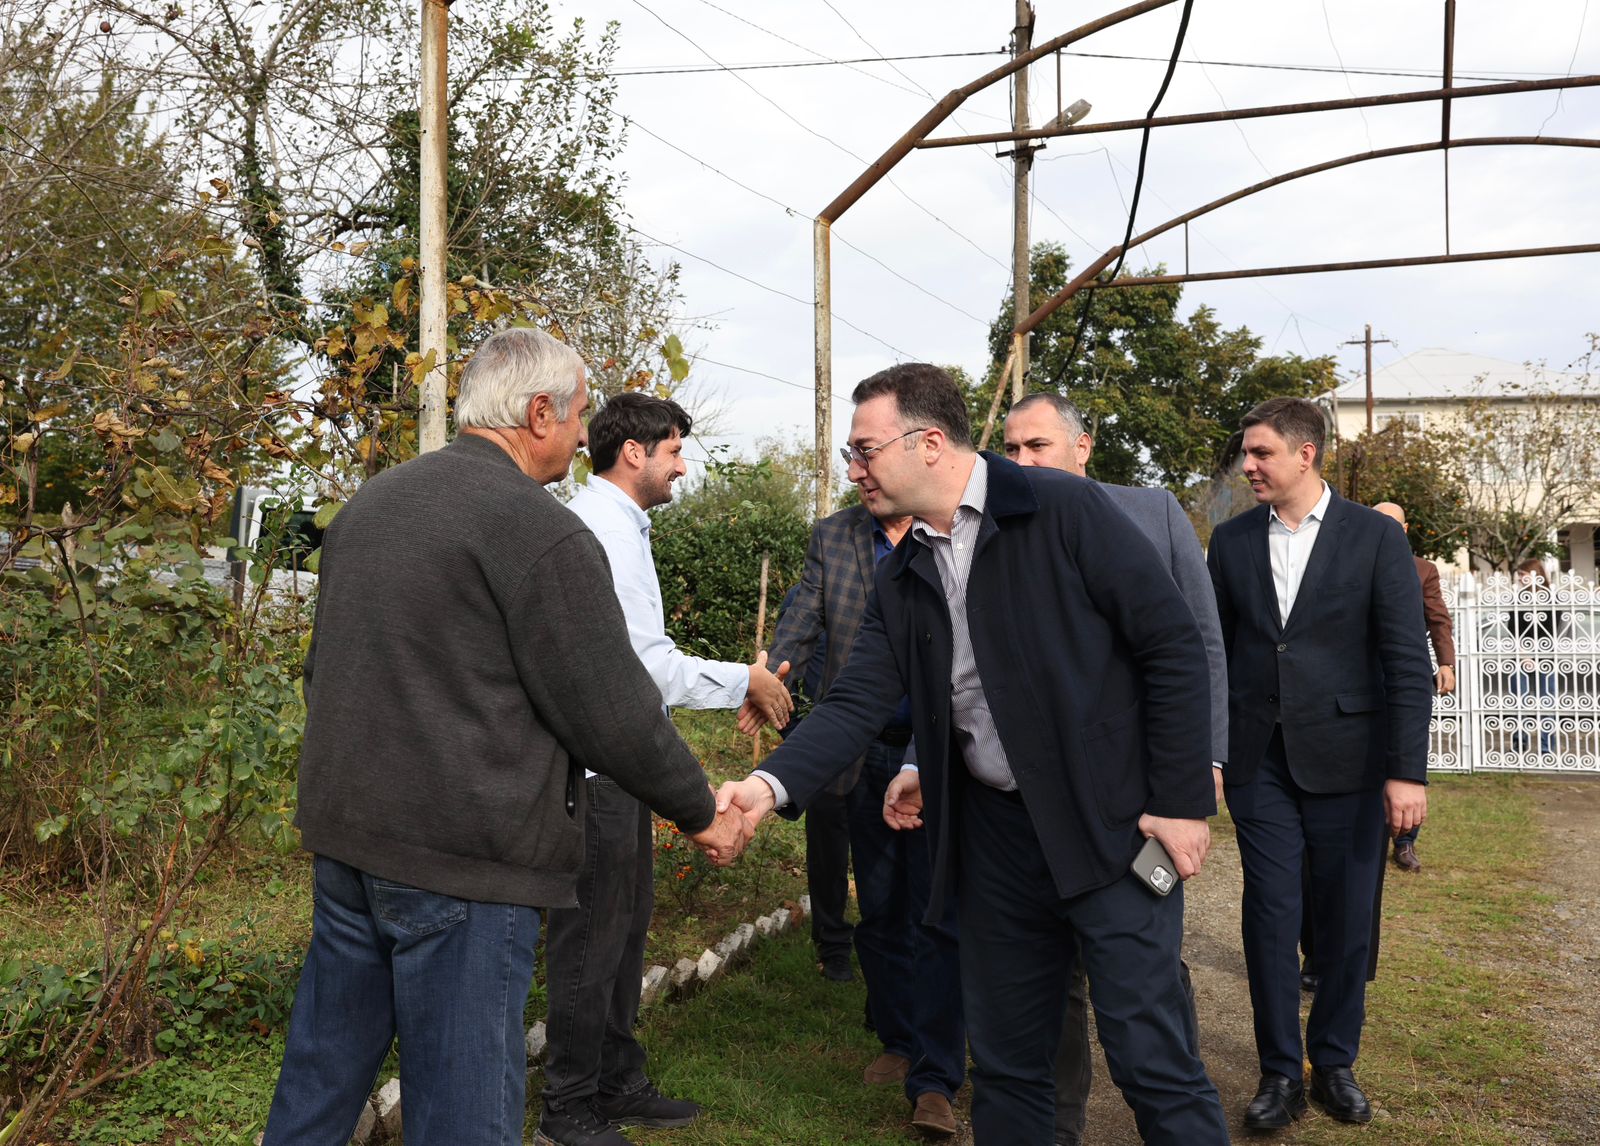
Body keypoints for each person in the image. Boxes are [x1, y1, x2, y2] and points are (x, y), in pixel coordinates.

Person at [262, 328, 749, 1146]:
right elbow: (613, 709)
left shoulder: (371, 505)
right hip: (465, 868)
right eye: (579, 414)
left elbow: (329, 673)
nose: (584, 436)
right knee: (462, 1110)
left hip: (349, 845)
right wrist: (701, 811)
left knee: (320, 1080)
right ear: (538, 414)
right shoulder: (538, 530)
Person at [723, 363, 1229, 1144]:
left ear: (928, 443)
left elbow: (1172, 645)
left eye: (864, 451)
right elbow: (856, 702)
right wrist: (765, 788)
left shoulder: (1063, 509)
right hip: (995, 843)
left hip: (1113, 827)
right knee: (1008, 1067)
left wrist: (1182, 801)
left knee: (1150, 1058)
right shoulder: (905, 571)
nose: (853, 470)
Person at [539, 392, 792, 1146]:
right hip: (593, 774)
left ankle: (615, 1079)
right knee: (591, 940)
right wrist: (744, 680)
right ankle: (567, 1106)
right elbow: (642, 669)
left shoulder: (622, 526)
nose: (683, 466)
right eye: (675, 450)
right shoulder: (605, 532)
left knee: (623, 932)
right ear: (634, 452)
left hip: (619, 768)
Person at [1001, 393, 1227, 1146]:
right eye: (1012, 449)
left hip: (1137, 791)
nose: (1023, 462)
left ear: (1083, 446)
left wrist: (1201, 763)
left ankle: (1175, 1094)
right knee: (1051, 983)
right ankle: (1059, 1124)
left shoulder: (1151, 512)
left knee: (1145, 972)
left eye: (1038, 446)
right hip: (1037, 803)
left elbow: (1198, 643)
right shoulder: (996, 526)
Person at [1208, 397, 1432, 1131]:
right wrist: (1211, 752)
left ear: (1305, 454)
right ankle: (1279, 1073)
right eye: (1247, 453)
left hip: (1352, 762)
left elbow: (1405, 660)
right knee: (1270, 916)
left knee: (1346, 919)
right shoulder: (1231, 540)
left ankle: (1334, 1061)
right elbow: (1217, 654)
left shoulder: (1374, 537)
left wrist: (1407, 771)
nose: (1248, 465)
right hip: (1259, 763)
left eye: (1261, 453)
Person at [765, 491, 966, 1138]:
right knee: (879, 907)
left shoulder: (953, 533)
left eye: (867, 452)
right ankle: (899, 1038)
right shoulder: (836, 536)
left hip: (939, 754)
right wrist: (770, 680)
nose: (859, 471)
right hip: (862, 751)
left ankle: (936, 1077)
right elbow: (801, 619)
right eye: (851, 456)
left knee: (937, 911)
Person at [1373, 502, 1456, 872]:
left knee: (1407, 756)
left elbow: (1438, 619)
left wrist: (1446, 663)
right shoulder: (1354, 562)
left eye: (1392, 524)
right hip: (1361, 680)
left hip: (1406, 680)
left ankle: (1405, 841)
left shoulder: (1423, 569)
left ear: (1404, 530)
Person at [1508, 557, 1557, 756]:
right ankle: (1520, 745)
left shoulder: (1551, 598)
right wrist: (1523, 655)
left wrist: (1538, 655)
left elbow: (1553, 630)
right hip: (1520, 657)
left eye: (1523, 574)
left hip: (1546, 658)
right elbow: (1513, 630)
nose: (1520, 578)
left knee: (1547, 702)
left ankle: (1547, 748)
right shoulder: (1518, 598)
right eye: (1519, 575)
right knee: (1519, 702)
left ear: (1536, 574)